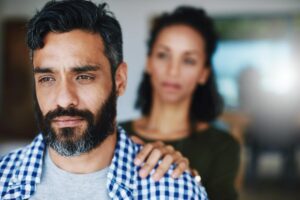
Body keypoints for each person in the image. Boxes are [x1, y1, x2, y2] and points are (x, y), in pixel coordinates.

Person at [0, 1, 207, 199]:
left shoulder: (176, 192)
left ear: (119, 80)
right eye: (47, 79)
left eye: (83, 77)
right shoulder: (3, 180)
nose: (64, 99)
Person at [120, 6, 240, 200]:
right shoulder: (116, 135)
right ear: (149, 62)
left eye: (189, 60)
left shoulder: (222, 146)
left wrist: (189, 178)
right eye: (163, 55)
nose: (173, 71)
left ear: (203, 73)